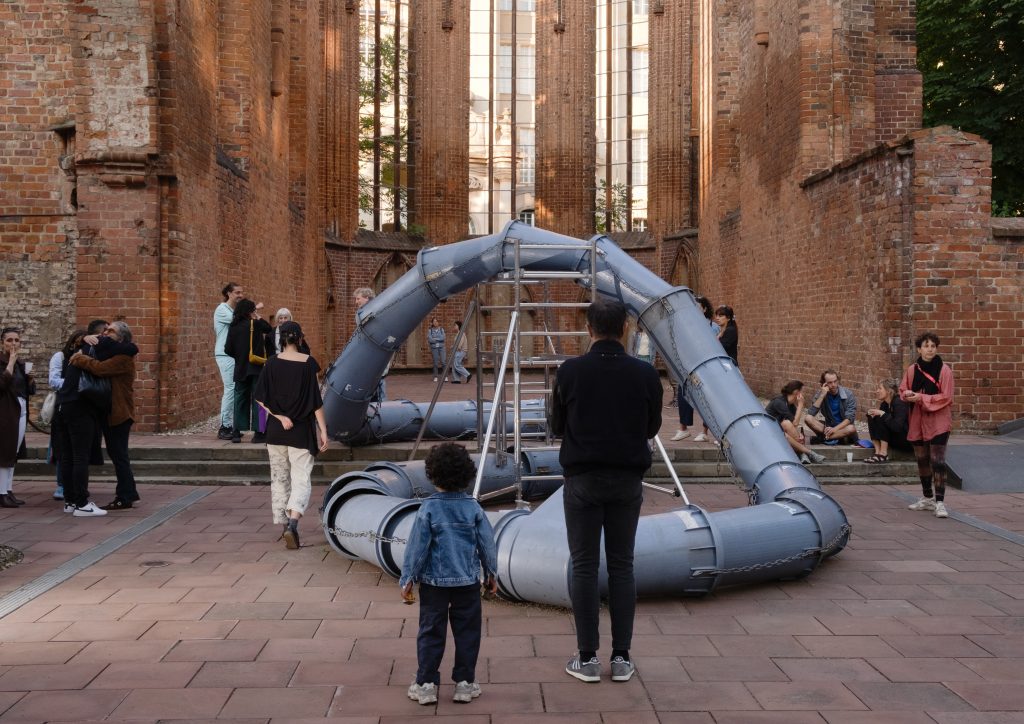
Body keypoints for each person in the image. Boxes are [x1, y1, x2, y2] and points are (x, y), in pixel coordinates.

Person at [549, 299, 663, 684]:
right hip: (627, 480)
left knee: (583, 565)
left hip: (582, 479)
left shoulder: (570, 371)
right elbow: (651, 427)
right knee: (622, 565)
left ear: (588, 328)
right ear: (625, 328)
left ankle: (586, 658)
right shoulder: (645, 374)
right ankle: (622, 656)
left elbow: (557, 425)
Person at [400, 442, 498, 705]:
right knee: (468, 631)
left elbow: (417, 548)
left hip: (433, 583)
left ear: (432, 475)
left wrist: (408, 578)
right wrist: (491, 574)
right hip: (467, 581)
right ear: (467, 474)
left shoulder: (428, 508)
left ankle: (426, 683)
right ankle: (465, 683)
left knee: (431, 630)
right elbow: (486, 544)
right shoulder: (473, 508)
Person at [254, 321, 329, 549]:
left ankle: (283, 524)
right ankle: (293, 524)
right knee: (301, 478)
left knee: (279, 478)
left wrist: (279, 416)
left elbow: (260, 397)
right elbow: (316, 402)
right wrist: (324, 431)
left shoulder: (271, 364)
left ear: (281, 339)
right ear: (299, 338)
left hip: (276, 432)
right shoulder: (309, 365)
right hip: (301, 433)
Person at [70, 321, 141, 510]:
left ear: (121, 337)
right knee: (117, 454)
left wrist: (79, 359)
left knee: (119, 456)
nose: (106, 332)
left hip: (118, 413)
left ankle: (125, 496)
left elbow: (101, 369)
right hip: (108, 412)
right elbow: (79, 341)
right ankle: (129, 492)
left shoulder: (123, 357)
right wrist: (83, 338)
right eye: (106, 329)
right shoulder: (108, 350)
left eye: (112, 331)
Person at [52, 329, 106, 516]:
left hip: (64, 406)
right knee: (80, 457)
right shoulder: (89, 356)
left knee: (68, 456)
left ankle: (70, 501)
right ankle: (82, 503)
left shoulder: (74, 356)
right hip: (81, 408)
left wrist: (83, 338)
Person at [900, 332, 955, 519]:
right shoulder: (912, 370)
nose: (930, 349)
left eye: (933, 346)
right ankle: (927, 498)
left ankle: (940, 502)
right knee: (921, 460)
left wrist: (921, 397)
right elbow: (902, 390)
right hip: (918, 420)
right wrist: (907, 394)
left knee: (938, 461)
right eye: (926, 346)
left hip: (939, 420)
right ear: (919, 349)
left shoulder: (944, 370)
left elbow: (946, 396)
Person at [224, 299, 272, 443]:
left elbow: (227, 349)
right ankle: (260, 432)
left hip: (240, 369)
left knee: (239, 400)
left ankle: (236, 432)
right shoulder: (256, 324)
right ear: (250, 311)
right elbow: (268, 328)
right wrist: (257, 316)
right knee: (259, 400)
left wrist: (240, 357)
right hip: (256, 368)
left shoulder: (233, 327)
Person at [672, 296, 719, 443]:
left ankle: (705, 431)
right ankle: (683, 428)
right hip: (689, 366)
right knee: (683, 393)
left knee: (708, 399)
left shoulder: (713, 326)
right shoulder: (687, 324)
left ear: (704, 309)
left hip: (707, 367)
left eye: (697, 307)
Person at [48, 331, 87, 501]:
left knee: (78, 450)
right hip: (63, 405)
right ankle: (62, 485)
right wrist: (75, 383)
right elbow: (54, 381)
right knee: (61, 448)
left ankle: (77, 486)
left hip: (82, 407)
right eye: (77, 344)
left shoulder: (87, 358)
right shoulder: (60, 357)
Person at [0, 327, 34, 508]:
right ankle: (1, 493)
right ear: (2, 343)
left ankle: (9, 490)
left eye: (16, 340)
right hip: (6, 411)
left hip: (20, 410)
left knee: (13, 452)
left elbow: (26, 390)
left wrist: (30, 380)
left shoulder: (21, 363)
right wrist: (10, 363)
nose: (13, 344)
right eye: (9, 340)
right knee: (5, 452)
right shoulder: (5, 362)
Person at [764, 380, 826, 464]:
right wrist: (800, 405)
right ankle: (808, 453)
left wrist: (798, 434)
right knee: (786, 426)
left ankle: (803, 454)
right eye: (802, 391)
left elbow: (794, 425)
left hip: (778, 430)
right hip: (767, 430)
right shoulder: (779, 402)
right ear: (797, 392)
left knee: (788, 428)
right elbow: (795, 423)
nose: (802, 394)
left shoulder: (790, 405)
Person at [214, 282, 245, 440]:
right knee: (230, 388)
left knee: (235, 389)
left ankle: (232, 424)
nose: (240, 295)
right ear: (228, 294)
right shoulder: (222, 310)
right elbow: (238, 321)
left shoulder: (234, 310)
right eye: (237, 293)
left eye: (241, 292)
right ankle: (224, 426)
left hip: (235, 356)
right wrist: (253, 310)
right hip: (225, 355)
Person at [804, 370, 859, 445]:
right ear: (824, 384)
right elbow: (811, 413)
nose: (833, 385)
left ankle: (824, 439)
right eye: (830, 382)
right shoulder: (821, 394)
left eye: (835, 381)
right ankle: (832, 438)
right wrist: (822, 395)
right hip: (828, 428)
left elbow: (849, 419)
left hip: (842, 430)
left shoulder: (848, 394)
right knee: (808, 418)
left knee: (851, 428)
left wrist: (834, 429)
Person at [864, 378, 910, 464]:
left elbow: (897, 427)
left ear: (888, 391)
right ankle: (877, 453)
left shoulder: (899, 402)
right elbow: (881, 425)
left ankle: (883, 454)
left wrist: (883, 414)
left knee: (881, 416)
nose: (877, 391)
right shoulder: (884, 404)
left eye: (880, 388)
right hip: (892, 438)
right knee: (872, 416)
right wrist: (873, 415)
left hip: (905, 440)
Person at [354, 287, 387, 401]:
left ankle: (382, 410)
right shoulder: (361, 312)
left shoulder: (377, 309)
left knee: (380, 381)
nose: (356, 302)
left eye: (358, 299)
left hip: (377, 349)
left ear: (366, 298)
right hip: (369, 349)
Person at [427, 317, 447, 382]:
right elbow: (430, 340)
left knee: (443, 362)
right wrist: (438, 339)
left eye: (436, 321)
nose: (435, 323)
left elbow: (443, 338)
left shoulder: (441, 329)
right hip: (434, 348)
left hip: (442, 347)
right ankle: (435, 376)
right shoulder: (430, 330)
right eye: (434, 321)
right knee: (435, 363)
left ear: (438, 322)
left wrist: (435, 339)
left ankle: (445, 376)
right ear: (432, 323)